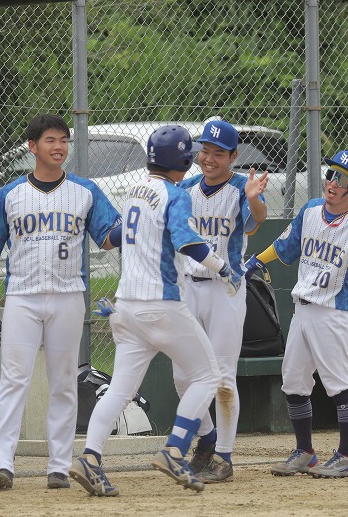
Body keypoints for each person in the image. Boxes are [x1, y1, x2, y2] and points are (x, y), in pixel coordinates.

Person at [70, 125, 242, 496]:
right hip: (161, 304)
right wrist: (221, 267)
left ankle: (89, 457)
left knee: (120, 390)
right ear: (183, 160)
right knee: (208, 377)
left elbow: (117, 236)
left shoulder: (136, 188)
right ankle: (174, 450)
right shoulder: (176, 194)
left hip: (125, 307)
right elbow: (187, 242)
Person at [0, 114, 122, 490]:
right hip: (22, 296)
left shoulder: (85, 191)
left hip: (68, 295)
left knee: (64, 382)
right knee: (14, 379)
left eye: (64, 140)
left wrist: (134, 223)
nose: (59, 147)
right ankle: (1, 464)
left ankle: (59, 466)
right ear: (33, 146)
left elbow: (107, 238)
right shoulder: (10, 195)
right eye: (51, 140)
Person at [244, 150, 348, 478]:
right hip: (302, 309)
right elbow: (286, 246)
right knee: (293, 382)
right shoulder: (311, 209)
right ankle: (305, 452)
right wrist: (256, 261)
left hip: (332, 313)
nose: (333, 183)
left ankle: (347, 456)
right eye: (331, 174)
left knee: (339, 385)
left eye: (343, 179)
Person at [175, 120, 268, 483]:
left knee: (223, 378)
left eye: (218, 153)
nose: (209, 159)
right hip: (188, 287)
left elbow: (257, 220)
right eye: (205, 151)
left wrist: (254, 198)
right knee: (183, 375)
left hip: (225, 290)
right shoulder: (185, 189)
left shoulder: (241, 188)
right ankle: (207, 438)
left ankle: (225, 458)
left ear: (233, 156)